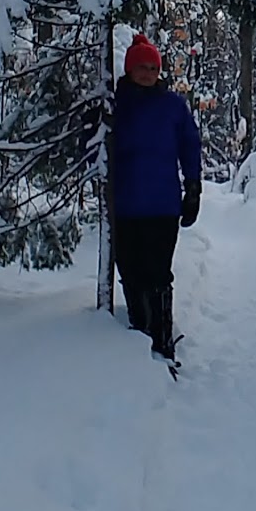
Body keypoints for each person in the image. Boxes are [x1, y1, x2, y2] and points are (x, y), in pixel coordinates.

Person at [110, 32, 201, 363]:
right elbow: (92, 147)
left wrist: (193, 187)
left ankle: (163, 343)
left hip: (162, 207)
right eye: (142, 67)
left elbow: (190, 145)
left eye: (153, 67)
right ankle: (139, 334)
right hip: (124, 207)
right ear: (129, 69)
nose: (148, 73)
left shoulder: (172, 105)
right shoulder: (114, 105)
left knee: (158, 274)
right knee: (131, 272)